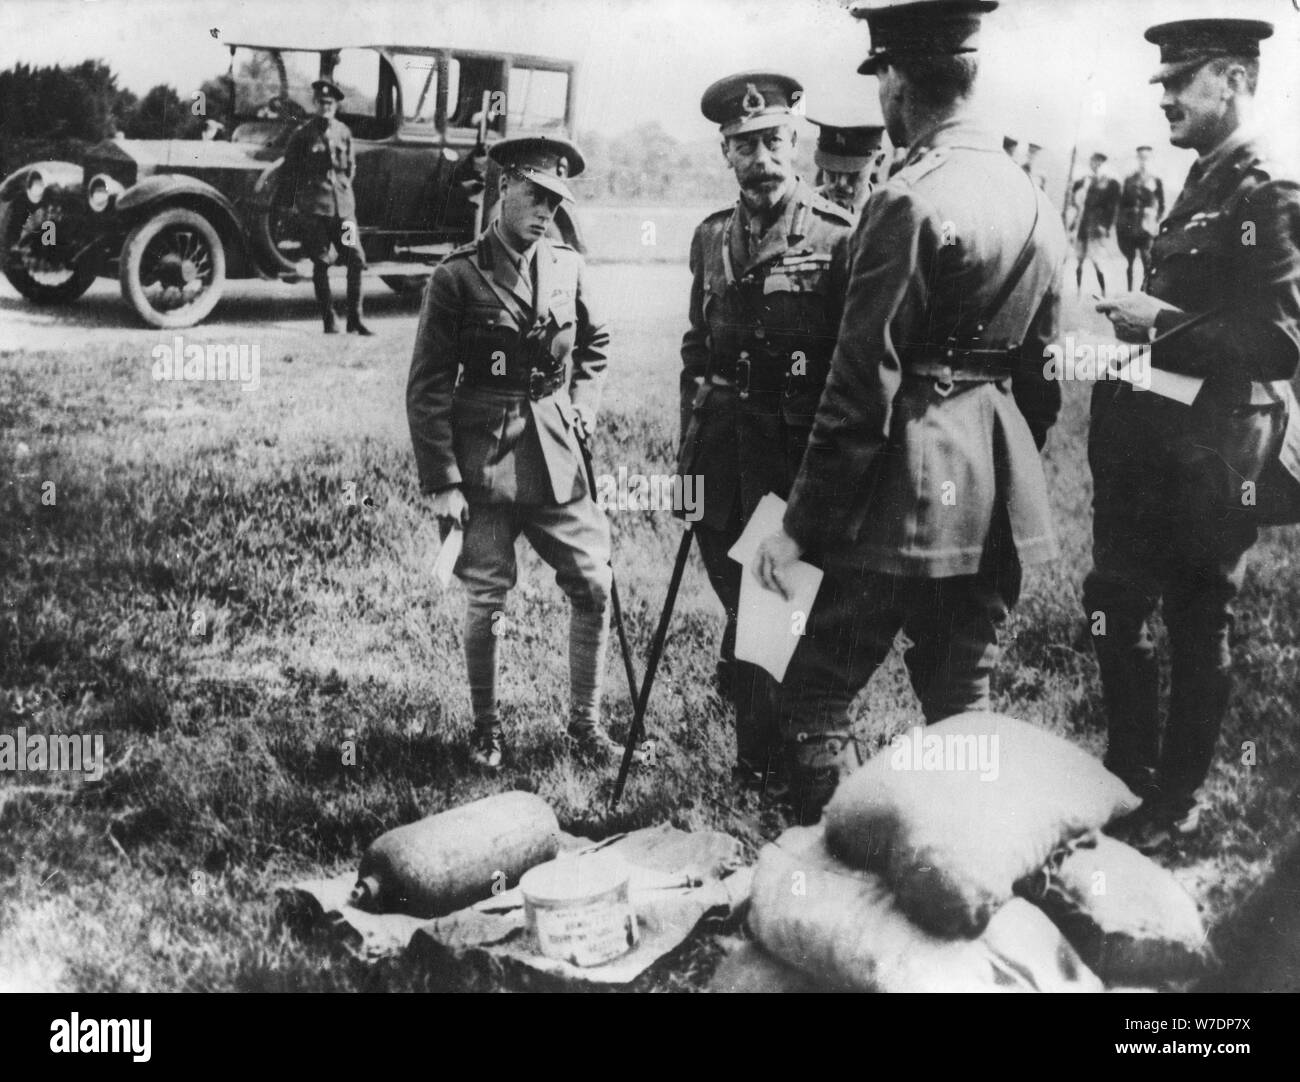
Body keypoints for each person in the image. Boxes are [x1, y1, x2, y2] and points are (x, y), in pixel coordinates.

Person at [752, 0, 1066, 820]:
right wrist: (991, 460)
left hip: (901, 500)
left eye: (881, 74)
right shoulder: (1035, 199)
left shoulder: (906, 200)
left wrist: (800, 529)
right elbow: (1044, 379)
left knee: (815, 693)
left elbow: (861, 390)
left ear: (897, 80)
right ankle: (969, 875)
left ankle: (835, 879)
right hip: (992, 493)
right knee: (963, 698)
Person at [1089, 18, 1300, 852]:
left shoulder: (1269, 187)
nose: (1166, 97)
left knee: (1196, 611)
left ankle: (1176, 799)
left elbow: (1281, 342)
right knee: (1115, 600)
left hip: (1219, 446)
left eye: (1182, 81)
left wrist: (1159, 322)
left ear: (1234, 80)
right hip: (1161, 435)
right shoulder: (1207, 176)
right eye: (1163, 81)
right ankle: (1130, 775)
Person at [407, 135, 623, 768]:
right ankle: (486, 727)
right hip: (485, 462)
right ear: (505, 188)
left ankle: (584, 722)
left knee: (594, 580)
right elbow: (426, 386)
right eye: (535, 195)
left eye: (556, 200)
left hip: (558, 454)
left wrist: (584, 404)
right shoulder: (456, 275)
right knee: (488, 597)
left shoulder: (568, 266)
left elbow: (597, 341)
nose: (545, 211)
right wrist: (444, 480)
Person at [679, 72, 855, 793]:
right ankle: (768, 751)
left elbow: (853, 362)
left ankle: (769, 765)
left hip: (791, 456)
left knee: (776, 604)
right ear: (725, 151)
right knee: (742, 593)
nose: (761, 156)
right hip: (721, 454)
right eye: (744, 144)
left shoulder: (838, 236)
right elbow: (695, 350)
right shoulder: (711, 237)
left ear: (797, 143)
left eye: (773, 140)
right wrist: (688, 446)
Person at [279, 79, 372, 335]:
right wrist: (299, 205)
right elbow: (289, 173)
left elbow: (350, 169)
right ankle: (329, 321)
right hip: (315, 210)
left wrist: (341, 193)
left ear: (336, 105)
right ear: (315, 103)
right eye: (321, 103)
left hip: (343, 210)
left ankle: (355, 319)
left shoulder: (344, 132)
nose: (326, 107)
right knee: (321, 263)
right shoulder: (303, 134)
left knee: (356, 258)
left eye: (330, 103)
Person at [810, 116, 887, 215]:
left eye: (853, 172)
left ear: (878, 162)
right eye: (831, 169)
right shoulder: (804, 208)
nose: (841, 183)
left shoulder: (885, 218)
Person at [1068, 151, 1120, 296]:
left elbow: (1112, 207)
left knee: (1097, 261)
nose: (1096, 165)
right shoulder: (1084, 181)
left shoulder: (1110, 183)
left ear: (1103, 164)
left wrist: (1106, 226)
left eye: (1099, 162)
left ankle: (1103, 292)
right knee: (1079, 260)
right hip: (1082, 225)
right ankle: (1078, 292)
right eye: (1093, 161)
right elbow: (1075, 200)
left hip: (1096, 226)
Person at [1116, 145, 1167, 291]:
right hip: (1131, 225)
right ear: (1137, 159)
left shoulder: (1156, 180)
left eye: (1146, 158)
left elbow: (1162, 204)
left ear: (1151, 159)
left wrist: (1155, 218)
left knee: (1147, 260)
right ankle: (1129, 291)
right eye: (1141, 158)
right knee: (1130, 262)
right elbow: (1122, 202)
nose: (1143, 161)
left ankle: (1145, 292)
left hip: (1147, 226)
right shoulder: (1130, 180)